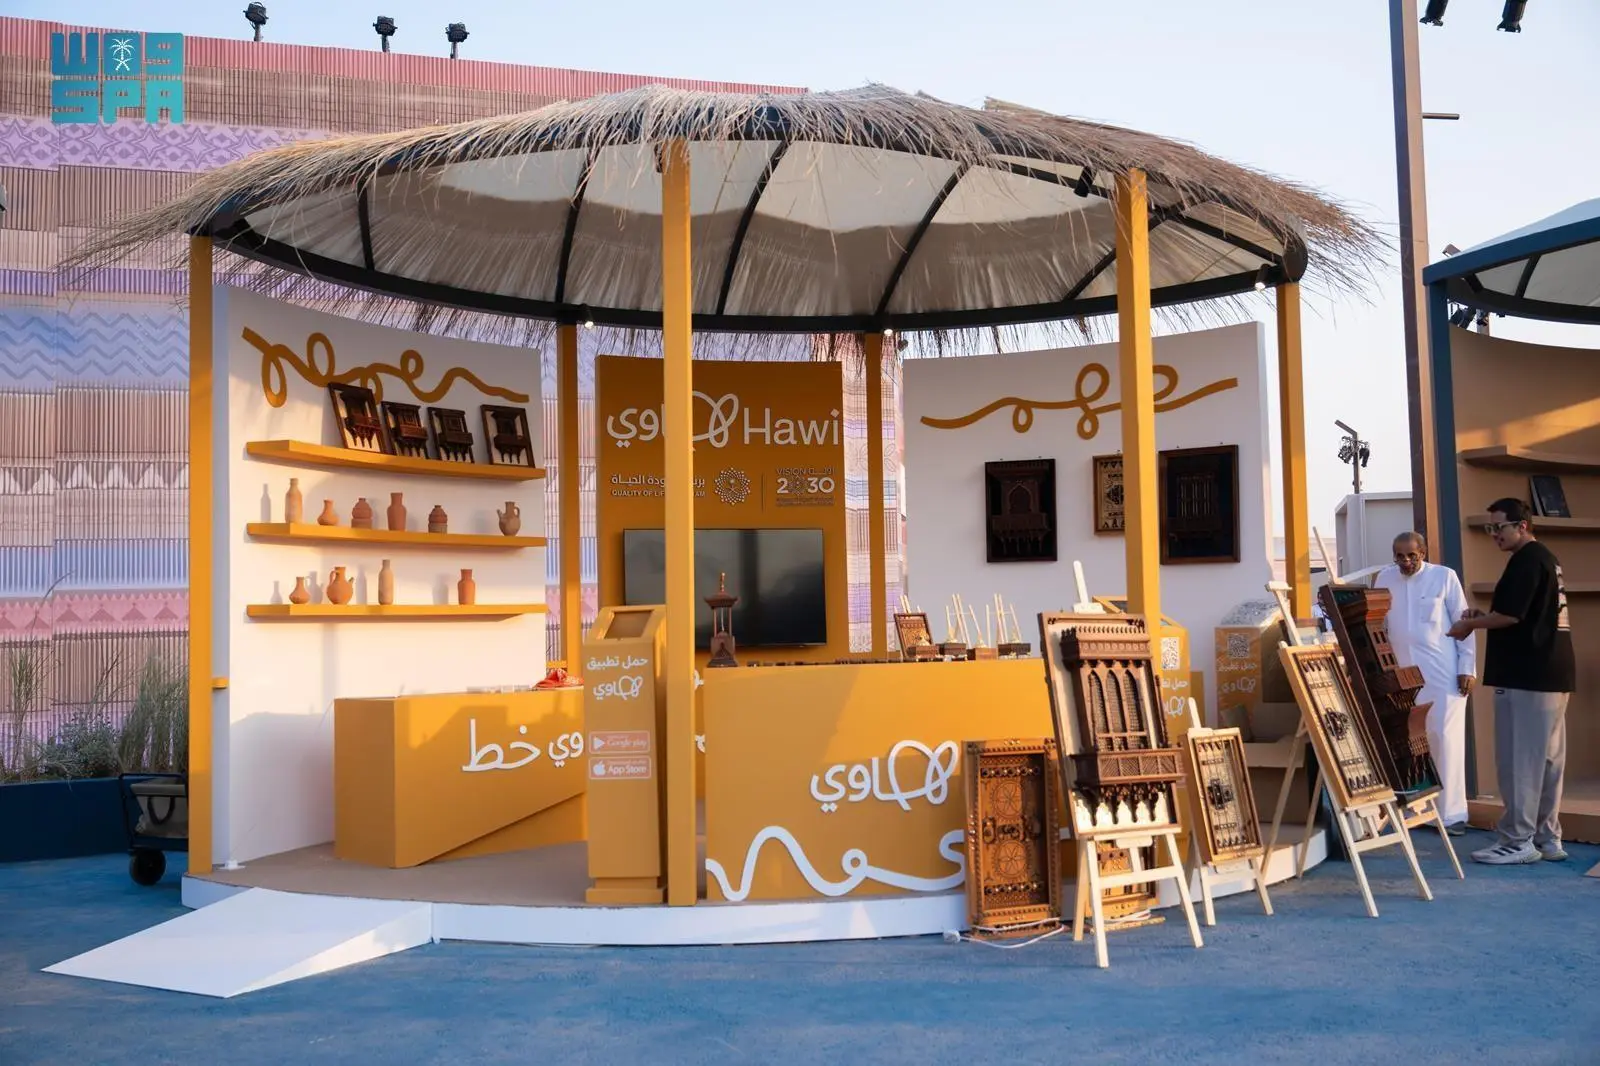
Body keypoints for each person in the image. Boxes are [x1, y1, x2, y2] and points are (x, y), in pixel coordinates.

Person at [1446, 498, 1574, 865]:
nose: (1494, 535)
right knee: (1547, 762)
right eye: (1490, 528)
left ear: (1522, 525)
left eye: (1498, 527)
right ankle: (1547, 837)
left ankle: (1518, 840)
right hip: (1551, 672)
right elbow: (1521, 615)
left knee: (1520, 760)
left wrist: (1470, 624)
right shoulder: (1546, 559)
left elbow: (1511, 616)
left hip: (1526, 675)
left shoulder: (1526, 561)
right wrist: (1485, 616)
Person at [1375, 532, 1475, 833]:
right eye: (1399, 555)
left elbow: (1464, 624)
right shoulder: (1384, 578)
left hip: (1443, 672)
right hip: (1402, 674)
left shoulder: (1444, 577)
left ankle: (1452, 815)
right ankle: (1418, 809)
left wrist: (1467, 667)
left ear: (1423, 552)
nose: (1405, 561)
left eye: (1411, 555)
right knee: (1410, 740)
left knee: (1445, 738)